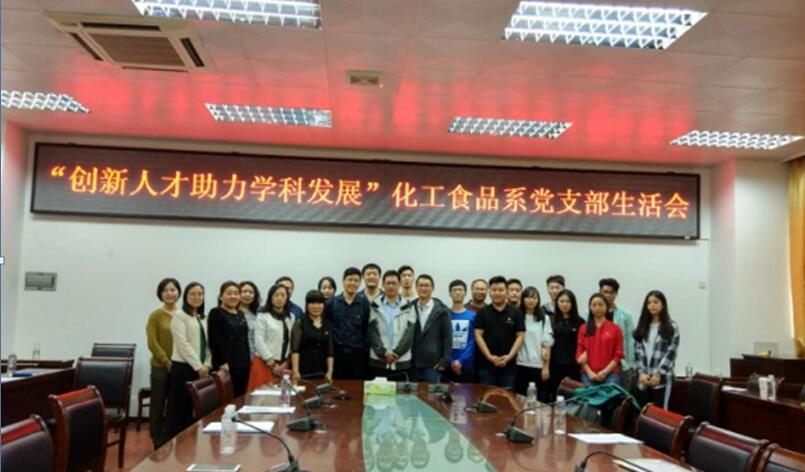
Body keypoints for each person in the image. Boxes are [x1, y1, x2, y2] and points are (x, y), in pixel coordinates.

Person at [165, 281, 212, 438]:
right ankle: (170, 446)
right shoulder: (179, 316)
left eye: (200, 294)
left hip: (201, 369)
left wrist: (207, 364)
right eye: (193, 294)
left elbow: (207, 345)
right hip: (183, 369)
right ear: (185, 296)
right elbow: (183, 344)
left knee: (191, 412)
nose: (197, 297)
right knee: (177, 411)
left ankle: (187, 446)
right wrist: (199, 366)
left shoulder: (202, 317)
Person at [146, 277, 180, 449]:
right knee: (158, 404)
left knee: (174, 404)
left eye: (173, 289)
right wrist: (166, 361)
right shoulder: (156, 316)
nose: (169, 293)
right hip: (160, 366)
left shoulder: (183, 315)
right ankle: (157, 439)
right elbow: (152, 342)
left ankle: (171, 436)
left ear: (178, 292)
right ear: (160, 294)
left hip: (179, 366)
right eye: (165, 290)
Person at [474, 276, 525, 389]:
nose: (497, 293)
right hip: (486, 366)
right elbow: (478, 335)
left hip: (508, 366)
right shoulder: (482, 312)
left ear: (506, 292)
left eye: (501, 290)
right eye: (494, 290)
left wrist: (509, 357)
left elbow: (520, 336)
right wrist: (490, 357)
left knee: (507, 397)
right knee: (486, 396)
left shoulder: (516, 313)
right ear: (489, 292)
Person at [633, 290, 680, 409]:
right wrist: (641, 373)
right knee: (644, 414)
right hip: (644, 380)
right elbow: (637, 353)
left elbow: (671, 353)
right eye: (649, 303)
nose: (652, 305)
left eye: (656, 302)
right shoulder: (642, 326)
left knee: (661, 414)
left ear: (663, 304)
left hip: (662, 380)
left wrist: (658, 374)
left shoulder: (671, 327)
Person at [368, 270, 417, 379]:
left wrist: (397, 353)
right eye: (388, 283)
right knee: (378, 390)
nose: (391, 286)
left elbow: (410, 333)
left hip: (401, 361)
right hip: (378, 361)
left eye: (394, 283)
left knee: (401, 390)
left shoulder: (409, 307)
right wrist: (382, 353)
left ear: (399, 284)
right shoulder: (374, 306)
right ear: (382, 285)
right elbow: (372, 332)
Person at [325, 267, 370, 380]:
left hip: (357, 356)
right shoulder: (331, 303)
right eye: (350, 280)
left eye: (356, 281)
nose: (353, 283)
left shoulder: (364, 303)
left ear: (360, 283)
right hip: (337, 355)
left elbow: (366, 328)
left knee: (356, 388)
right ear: (343, 281)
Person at [207, 281, 251, 396]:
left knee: (241, 399)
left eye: (236, 293)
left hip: (243, 365)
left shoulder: (240, 313)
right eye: (229, 293)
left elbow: (244, 340)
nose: (233, 296)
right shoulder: (216, 313)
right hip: (225, 366)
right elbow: (214, 340)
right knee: (227, 400)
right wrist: (222, 363)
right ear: (221, 296)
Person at [249, 284, 295, 390]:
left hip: (283, 365)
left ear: (287, 298)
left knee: (283, 396)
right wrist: (272, 362)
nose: (280, 298)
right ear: (270, 297)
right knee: (262, 397)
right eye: (276, 295)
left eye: (283, 295)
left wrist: (286, 362)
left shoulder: (291, 317)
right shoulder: (262, 316)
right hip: (264, 363)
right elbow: (259, 340)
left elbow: (291, 340)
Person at [515, 287, 553, 400]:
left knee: (538, 400)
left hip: (538, 365)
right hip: (520, 363)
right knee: (519, 399)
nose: (531, 300)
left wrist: (546, 367)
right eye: (528, 297)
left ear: (538, 300)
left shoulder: (544, 318)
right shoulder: (517, 316)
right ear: (523, 299)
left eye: (534, 298)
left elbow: (547, 343)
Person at [577, 293, 624, 386]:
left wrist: (605, 372)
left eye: (600, 305)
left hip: (611, 373)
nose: (597, 308)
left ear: (606, 306)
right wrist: (590, 373)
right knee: (589, 395)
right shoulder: (583, 328)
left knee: (610, 395)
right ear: (590, 307)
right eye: (594, 305)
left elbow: (618, 354)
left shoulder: (615, 328)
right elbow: (579, 353)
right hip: (588, 374)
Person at [412, 274, 452, 383]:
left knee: (431, 393)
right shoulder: (410, 307)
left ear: (433, 288)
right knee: (411, 392)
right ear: (416, 288)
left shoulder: (442, 310)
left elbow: (447, 337)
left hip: (433, 364)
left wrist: (444, 360)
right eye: (420, 285)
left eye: (427, 286)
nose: (423, 288)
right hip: (413, 362)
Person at [599, 278, 636, 390]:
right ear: (600, 292)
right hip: (597, 365)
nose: (608, 295)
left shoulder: (625, 315)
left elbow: (630, 341)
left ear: (616, 294)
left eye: (612, 292)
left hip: (620, 364)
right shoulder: (589, 314)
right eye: (605, 292)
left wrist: (629, 365)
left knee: (621, 396)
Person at [548, 289, 584, 400]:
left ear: (573, 303)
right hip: (555, 365)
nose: (564, 304)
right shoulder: (551, 320)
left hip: (573, 366)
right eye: (562, 301)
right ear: (557, 302)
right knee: (556, 396)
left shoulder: (580, 322)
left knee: (572, 397)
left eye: (568, 301)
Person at [291, 290, 334, 382]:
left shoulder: (327, 324)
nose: (316, 306)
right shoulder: (300, 322)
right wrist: (295, 371)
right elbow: (295, 350)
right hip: (303, 368)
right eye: (312, 303)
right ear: (307, 305)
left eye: (319, 303)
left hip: (322, 369)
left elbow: (330, 352)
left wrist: (330, 372)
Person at [447, 279, 476, 383]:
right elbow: (442, 341)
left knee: (467, 393)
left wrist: (461, 361)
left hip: (467, 364)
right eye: (454, 290)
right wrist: (451, 361)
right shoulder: (445, 316)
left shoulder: (473, 316)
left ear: (465, 293)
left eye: (460, 290)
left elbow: (473, 341)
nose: (457, 292)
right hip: (448, 364)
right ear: (450, 293)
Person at [239, 281, 261, 360]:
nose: (248, 294)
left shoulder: (257, 314)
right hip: (239, 355)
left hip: (255, 356)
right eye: (244, 292)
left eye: (251, 292)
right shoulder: (234, 312)